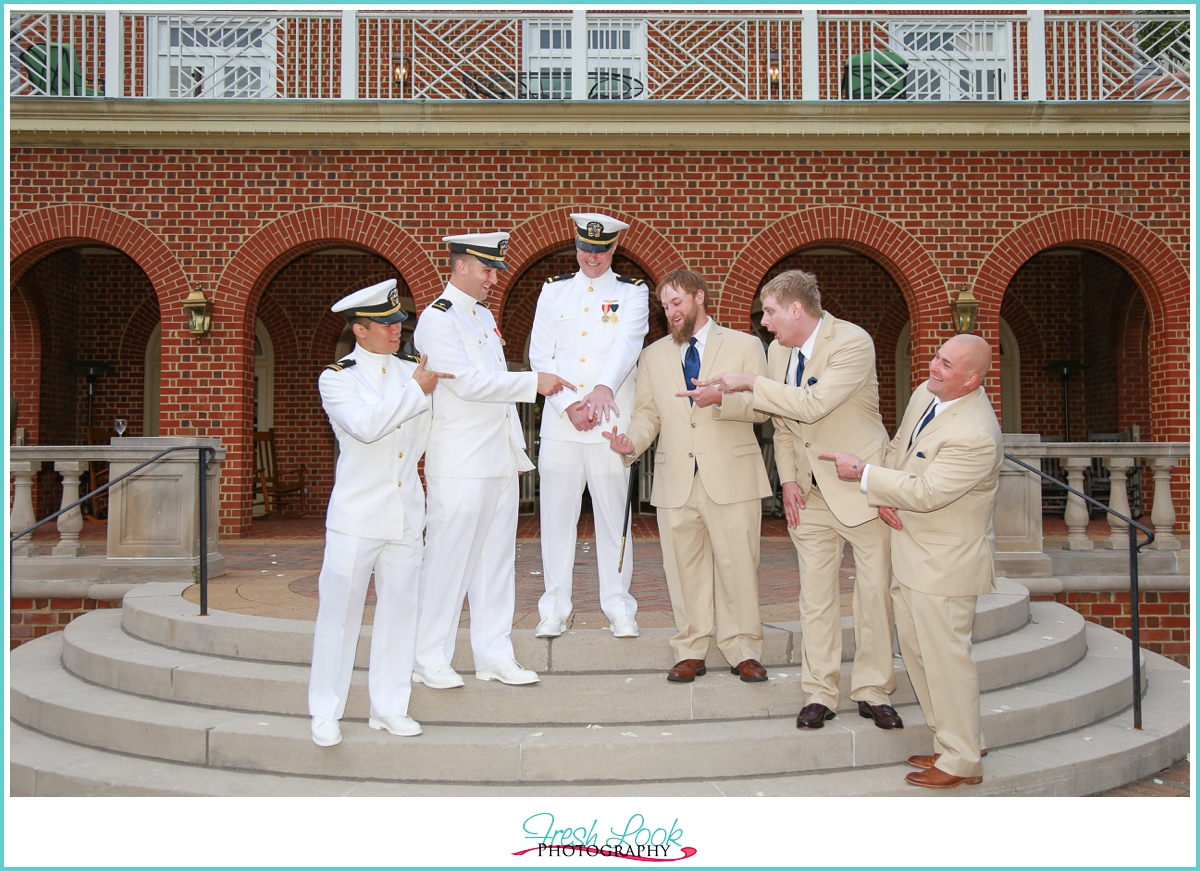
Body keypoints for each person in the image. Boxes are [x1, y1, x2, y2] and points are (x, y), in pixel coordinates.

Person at [694, 270, 901, 731]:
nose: (764, 323)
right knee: (815, 599)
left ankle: (872, 689)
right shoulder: (779, 350)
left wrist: (748, 380)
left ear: (794, 309)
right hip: (809, 495)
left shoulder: (853, 341)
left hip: (861, 489)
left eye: (769, 312)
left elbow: (812, 405)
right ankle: (819, 693)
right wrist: (788, 479)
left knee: (872, 597)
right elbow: (784, 422)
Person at [821, 333, 1002, 789]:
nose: (934, 368)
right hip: (910, 552)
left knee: (947, 661)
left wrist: (865, 476)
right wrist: (884, 491)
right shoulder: (927, 393)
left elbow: (929, 492)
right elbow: (902, 447)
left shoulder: (976, 434)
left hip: (945, 566)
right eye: (937, 357)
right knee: (922, 656)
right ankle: (957, 741)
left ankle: (963, 762)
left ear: (972, 379)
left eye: (946, 364)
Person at [412, 232, 575, 690]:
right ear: (461, 266)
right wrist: (532, 383)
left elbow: (489, 384)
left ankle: (494, 653)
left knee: (496, 563)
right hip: (461, 461)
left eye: (494, 271)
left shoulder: (482, 317)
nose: (492, 279)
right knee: (448, 561)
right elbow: (465, 383)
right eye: (486, 270)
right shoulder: (437, 319)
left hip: (499, 458)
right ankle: (429, 657)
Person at [603, 268, 772, 683]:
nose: (671, 312)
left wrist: (720, 401)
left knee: (737, 566)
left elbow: (764, 406)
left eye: (677, 302)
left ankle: (743, 649)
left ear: (700, 298)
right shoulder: (653, 354)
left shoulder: (746, 345)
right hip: (675, 478)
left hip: (732, 476)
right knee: (683, 570)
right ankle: (691, 648)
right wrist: (632, 442)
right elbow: (648, 414)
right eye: (665, 306)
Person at [309, 278, 453, 747]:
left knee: (399, 614)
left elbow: (428, 436)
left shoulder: (413, 369)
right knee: (340, 615)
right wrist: (416, 390)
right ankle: (325, 711)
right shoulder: (338, 377)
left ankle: (389, 707)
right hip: (356, 516)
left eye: (399, 323)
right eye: (387, 324)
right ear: (360, 329)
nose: (397, 330)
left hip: (406, 513)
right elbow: (367, 427)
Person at [528, 212, 649, 639]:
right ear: (575, 246)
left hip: (610, 424)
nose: (591, 258)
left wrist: (601, 389)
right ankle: (555, 608)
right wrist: (566, 405)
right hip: (563, 425)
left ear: (614, 249)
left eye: (600, 251)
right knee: (556, 518)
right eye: (584, 249)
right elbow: (540, 356)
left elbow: (627, 344)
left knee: (614, 516)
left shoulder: (633, 293)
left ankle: (619, 605)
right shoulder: (552, 292)